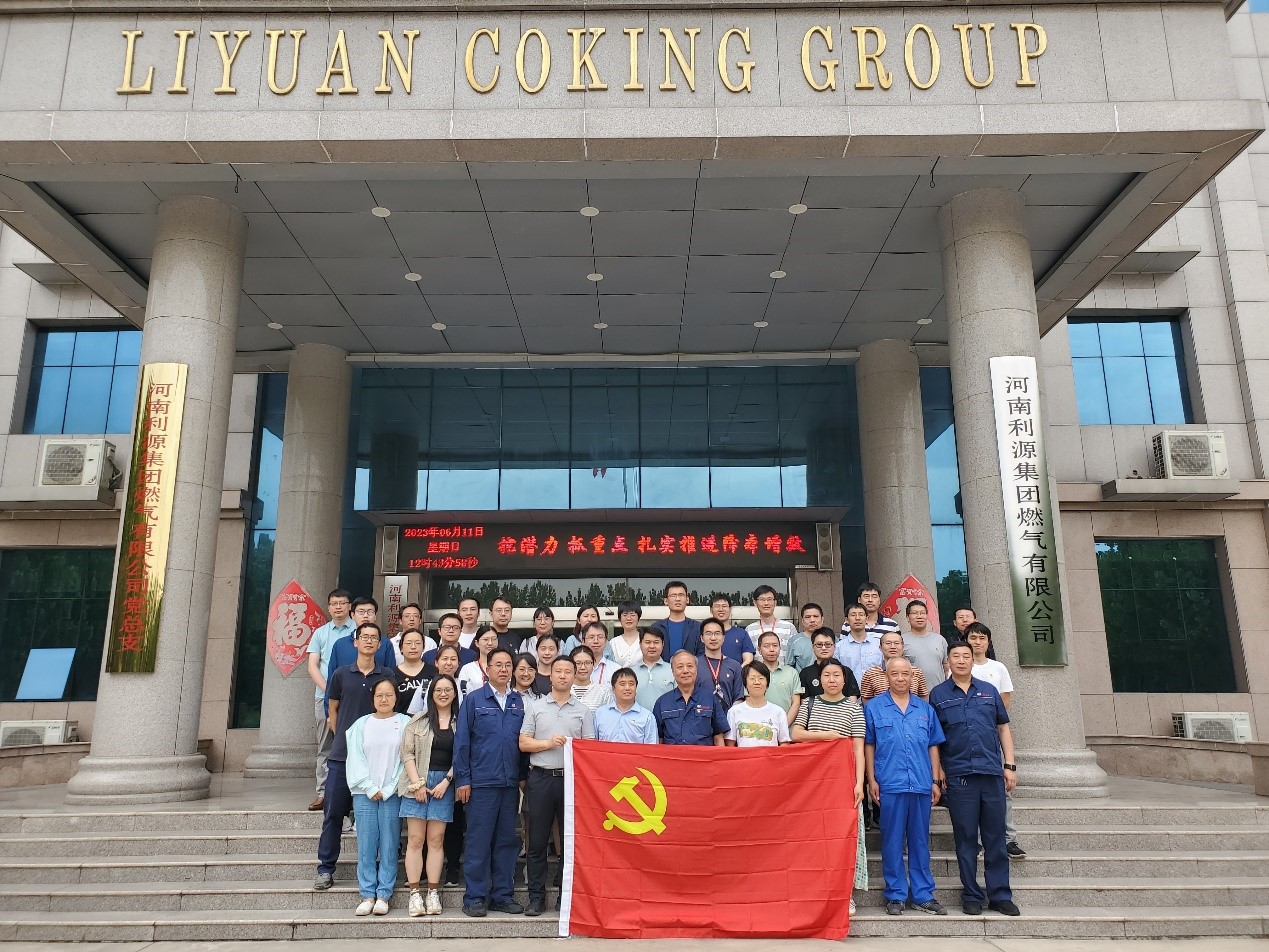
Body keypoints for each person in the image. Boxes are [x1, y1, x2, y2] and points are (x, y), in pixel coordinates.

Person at [930, 641, 1020, 917]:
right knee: (966, 838)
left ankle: (1000, 895)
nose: (961, 660)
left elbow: (1003, 728)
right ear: (948, 662)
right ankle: (971, 894)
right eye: (955, 656)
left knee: (995, 837)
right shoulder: (938, 695)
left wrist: (1010, 765)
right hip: (960, 777)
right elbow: (935, 739)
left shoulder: (989, 690)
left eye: (965, 656)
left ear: (973, 660)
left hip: (991, 773)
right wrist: (938, 773)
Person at [314, 622, 397, 891]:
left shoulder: (386, 675)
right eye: (365, 637)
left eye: (374, 638)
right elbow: (333, 710)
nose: (369, 641)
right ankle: (326, 868)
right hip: (342, 756)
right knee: (333, 813)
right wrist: (345, 738)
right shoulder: (341, 674)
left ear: (380, 644)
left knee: (379, 818)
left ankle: (381, 870)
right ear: (356, 642)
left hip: (376, 760)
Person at [865, 656, 946, 916]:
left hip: (921, 783)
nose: (900, 678)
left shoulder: (925, 708)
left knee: (920, 841)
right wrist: (871, 779)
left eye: (905, 674)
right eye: (895, 674)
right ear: (886, 677)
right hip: (890, 783)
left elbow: (933, 745)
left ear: (912, 676)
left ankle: (923, 894)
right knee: (891, 841)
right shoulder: (874, 707)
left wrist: (935, 780)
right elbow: (869, 745)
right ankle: (896, 894)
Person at [519, 655, 595, 916]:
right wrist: (548, 743)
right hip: (540, 778)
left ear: (574, 676)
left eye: (567, 672)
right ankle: (536, 898)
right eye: (558, 671)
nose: (563, 676)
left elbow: (589, 748)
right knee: (537, 843)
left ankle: (566, 897)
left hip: (571, 781)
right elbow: (523, 743)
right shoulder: (536, 707)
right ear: (549, 676)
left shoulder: (583, 711)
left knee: (569, 843)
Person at [453, 647, 526, 918]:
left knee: (506, 841)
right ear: (488, 668)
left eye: (508, 665)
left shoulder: (518, 702)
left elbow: (522, 742)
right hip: (481, 782)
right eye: (498, 664)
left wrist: (522, 777)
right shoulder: (474, 700)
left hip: (509, 784)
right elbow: (462, 742)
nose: (504, 669)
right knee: (478, 841)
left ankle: (502, 896)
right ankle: (475, 897)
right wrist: (463, 779)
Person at [790, 657, 867, 915]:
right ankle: (814, 892)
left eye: (837, 675)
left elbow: (858, 748)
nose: (832, 680)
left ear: (845, 680)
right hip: (812, 784)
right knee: (814, 838)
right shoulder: (809, 703)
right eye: (827, 675)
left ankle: (846, 894)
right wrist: (828, 737)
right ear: (819, 679)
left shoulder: (854, 708)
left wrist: (859, 783)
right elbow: (796, 734)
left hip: (843, 782)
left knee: (844, 837)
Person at [344, 676, 409, 916]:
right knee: (366, 845)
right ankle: (367, 894)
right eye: (379, 695)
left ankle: (384, 894)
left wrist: (390, 787)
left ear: (396, 698)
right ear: (372, 699)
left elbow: (406, 758)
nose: (384, 699)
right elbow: (355, 759)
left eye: (388, 695)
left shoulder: (405, 723)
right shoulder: (361, 725)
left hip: (393, 793)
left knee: (390, 843)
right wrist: (370, 787)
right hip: (364, 793)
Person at [400, 674, 459, 917]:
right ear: (431, 694)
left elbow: (463, 755)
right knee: (415, 840)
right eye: (438, 690)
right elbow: (407, 754)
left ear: (454, 693)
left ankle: (433, 892)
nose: (443, 694)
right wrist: (417, 784)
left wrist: (447, 781)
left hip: (444, 784)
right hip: (417, 783)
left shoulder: (460, 722)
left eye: (448, 690)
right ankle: (415, 894)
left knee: (436, 840)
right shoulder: (418, 720)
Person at [965, 622, 1023, 857]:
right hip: (966, 737)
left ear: (988, 642)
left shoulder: (998, 668)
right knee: (973, 792)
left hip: (991, 733)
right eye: (973, 638)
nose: (977, 642)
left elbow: (1004, 703)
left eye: (982, 638)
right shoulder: (959, 667)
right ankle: (978, 841)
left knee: (1002, 789)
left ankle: (1009, 839)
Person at [306, 588, 355, 811]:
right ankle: (323, 793)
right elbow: (312, 666)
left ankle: (352, 793)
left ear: (349, 606)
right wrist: (331, 692)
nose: (338, 607)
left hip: (354, 698)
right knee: (326, 746)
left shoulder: (358, 631)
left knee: (355, 745)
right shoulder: (320, 633)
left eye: (342, 603)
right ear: (328, 607)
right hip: (325, 698)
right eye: (334, 603)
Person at [653, 651, 728, 746]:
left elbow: (718, 738)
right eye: (680, 667)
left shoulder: (710, 699)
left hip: (702, 755)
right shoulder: (662, 702)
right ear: (673, 671)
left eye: (690, 666)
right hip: (673, 755)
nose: (685, 671)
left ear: (696, 669)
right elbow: (658, 740)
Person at [325, 597, 394, 687]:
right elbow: (332, 678)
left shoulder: (385, 644)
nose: (365, 616)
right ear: (353, 615)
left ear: (375, 616)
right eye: (361, 612)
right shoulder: (340, 644)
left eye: (370, 612)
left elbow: (391, 677)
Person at [726, 662, 790, 747]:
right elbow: (730, 745)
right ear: (745, 684)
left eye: (761, 678)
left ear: (767, 684)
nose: (757, 682)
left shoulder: (779, 712)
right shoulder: (734, 712)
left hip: (770, 756)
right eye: (752, 678)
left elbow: (784, 743)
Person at [860, 631, 930, 702]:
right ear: (880, 648)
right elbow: (866, 700)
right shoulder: (871, 673)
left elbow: (923, 697)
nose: (893, 647)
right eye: (888, 643)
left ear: (903, 647)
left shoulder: (916, 672)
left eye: (897, 643)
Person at [594, 668, 658, 743]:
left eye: (631, 684)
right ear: (613, 689)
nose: (627, 688)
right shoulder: (600, 713)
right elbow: (592, 745)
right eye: (622, 684)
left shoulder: (647, 717)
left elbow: (652, 747)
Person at [754, 630, 803, 726]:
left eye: (775, 645)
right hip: (760, 728)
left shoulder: (792, 672)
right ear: (759, 650)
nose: (771, 649)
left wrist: (783, 726)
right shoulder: (753, 673)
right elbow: (750, 701)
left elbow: (796, 703)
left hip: (787, 728)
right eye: (766, 646)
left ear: (780, 648)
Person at [697, 617, 744, 707]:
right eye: (708, 634)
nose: (713, 638)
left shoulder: (735, 666)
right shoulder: (694, 665)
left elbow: (739, 697)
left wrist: (731, 713)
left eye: (717, 633)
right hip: (700, 714)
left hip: (728, 714)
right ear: (702, 638)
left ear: (723, 638)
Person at [803, 627, 860, 701]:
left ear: (834, 646)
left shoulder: (846, 671)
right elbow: (804, 702)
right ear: (813, 647)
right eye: (819, 644)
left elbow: (852, 700)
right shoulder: (805, 673)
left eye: (828, 644)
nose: (824, 648)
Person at [745, 585, 797, 666]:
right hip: (759, 673)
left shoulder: (789, 627)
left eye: (769, 599)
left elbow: (795, 654)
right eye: (762, 600)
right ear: (755, 603)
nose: (766, 603)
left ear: (775, 602)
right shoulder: (749, 629)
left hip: (784, 672)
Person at [835, 602, 884, 689]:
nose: (857, 618)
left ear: (867, 618)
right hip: (849, 695)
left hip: (877, 694)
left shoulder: (879, 645)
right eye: (853, 615)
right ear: (847, 620)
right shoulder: (838, 648)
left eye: (861, 614)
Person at [904, 599, 949, 688]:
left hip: (938, 692)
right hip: (913, 692)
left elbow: (946, 666)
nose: (919, 616)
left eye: (922, 613)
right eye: (915, 613)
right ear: (907, 617)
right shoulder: (901, 641)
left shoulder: (940, 639)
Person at [650, 582, 701, 659]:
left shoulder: (697, 627)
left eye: (681, 595)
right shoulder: (656, 627)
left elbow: (702, 654)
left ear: (687, 599)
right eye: (673, 595)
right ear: (666, 601)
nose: (677, 599)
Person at [394, 630, 436, 714]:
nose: (413, 647)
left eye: (418, 643)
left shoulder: (434, 672)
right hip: (400, 720)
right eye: (408, 643)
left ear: (423, 647)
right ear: (401, 648)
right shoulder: (392, 674)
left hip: (428, 720)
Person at [633, 628, 675, 710]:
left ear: (663, 644)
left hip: (666, 717)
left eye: (656, 642)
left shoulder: (673, 670)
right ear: (640, 644)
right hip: (637, 717)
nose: (652, 646)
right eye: (647, 642)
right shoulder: (631, 672)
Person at [707, 594, 756, 665]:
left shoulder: (741, 633)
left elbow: (748, 659)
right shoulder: (704, 634)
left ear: (730, 609)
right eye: (717, 606)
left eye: (724, 606)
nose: (721, 609)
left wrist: (737, 671)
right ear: (711, 610)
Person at [457, 628, 499, 699]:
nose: (490, 643)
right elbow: (461, 696)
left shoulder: (505, 667)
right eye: (485, 639)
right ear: (477, 643)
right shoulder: (467, 669)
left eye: (494, 639)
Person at [569, 646, 613, 711]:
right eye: (578, 663)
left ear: (593, 664)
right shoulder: (563, 690)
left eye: (587, 663)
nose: (583, 667)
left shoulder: (603, 692)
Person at [604, 601, 644, 668]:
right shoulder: (613, 643)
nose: (628, 618)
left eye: (632, 615)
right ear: (619, 619)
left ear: (638, 618)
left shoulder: (645, 640)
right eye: (625, 615)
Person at [786, 602, 823, 673]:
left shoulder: (832, 640)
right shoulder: (794, 641)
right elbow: (789, 667)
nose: (812, 620)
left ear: (822, 619)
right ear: (802, 621)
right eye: (808, 617)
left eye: (815, 616)